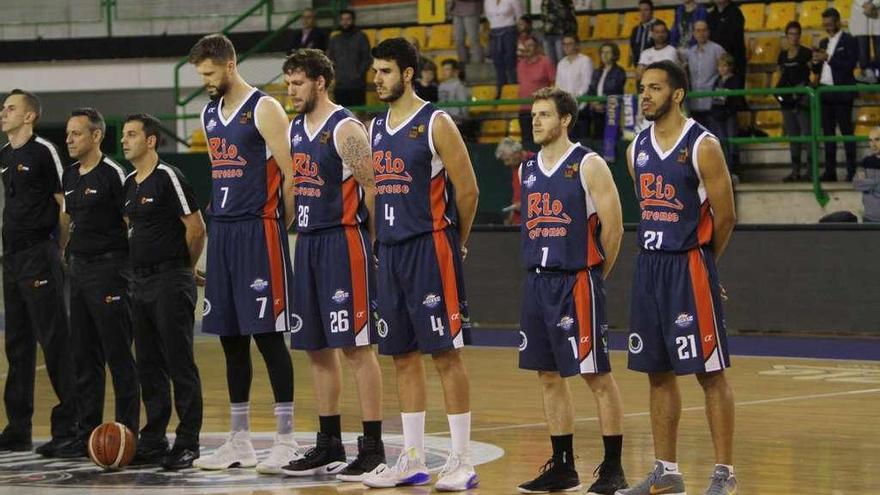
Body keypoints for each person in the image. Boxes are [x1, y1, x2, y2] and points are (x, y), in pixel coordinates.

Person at [361, 38, 480, 491]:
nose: (378, 78)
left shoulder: (436, 122)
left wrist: (455, 240)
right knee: (401, 356)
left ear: (408, 74)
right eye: (375, 71)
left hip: (430, 247)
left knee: (445, 354)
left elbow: (467, 190)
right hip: (390, 250)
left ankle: (462, 459)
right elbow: (374, 191)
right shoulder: (374, 127)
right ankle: (412, 458)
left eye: (386, 71)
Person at [617, 60, 737, 495]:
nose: (644, 96)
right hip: (649, 266)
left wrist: (706, 264)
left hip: (689, 264)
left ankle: (724, 473)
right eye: (641, 88)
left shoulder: (703, 145)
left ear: (678, 93)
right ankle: (666, 470)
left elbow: (725, 217)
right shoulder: (636, 150)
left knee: (710, 373)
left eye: (654, 88)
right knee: (657, 372)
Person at [187, 34, 301, 473]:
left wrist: (277, 223)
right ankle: (239, 441)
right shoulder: (209, 112)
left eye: (210, 73)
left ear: (230, 64)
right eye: (201, 75)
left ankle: (287, 438)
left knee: (269, 337)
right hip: (225, 234)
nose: (206, 82)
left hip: (259, 230)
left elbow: (293, 173)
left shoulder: (264, 107)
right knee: (231, 339)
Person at [278, 48, 387, 482]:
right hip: (307, 243)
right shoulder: (294, 130)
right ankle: (329, 442)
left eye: (298, 83)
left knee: (357, 348)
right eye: (288, 84)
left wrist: (376, 246)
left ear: (320, 82)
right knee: (317, 348)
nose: (291, 91)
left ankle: (373, 445)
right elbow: (292, 188)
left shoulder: (345, 130)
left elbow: (376, 189)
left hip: (344, 242)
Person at [515, 87, 628, 495]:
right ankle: (563, 466)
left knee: (595, 374)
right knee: (548, 375)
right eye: (533, 115)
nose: (536, 121)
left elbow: (613, 229)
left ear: (564, 120)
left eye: (544, 114)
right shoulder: (527, 170)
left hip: (577, 279)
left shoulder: (588, 164)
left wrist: (596, 275)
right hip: (537, 280)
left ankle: (613, 468)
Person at [122, 113, 205, 470]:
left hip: (170, 281)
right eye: (123, 134)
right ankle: (154, 439)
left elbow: (196, 228)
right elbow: (133, 230)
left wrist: (182, 269)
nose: (124, 140)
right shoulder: (129, 182)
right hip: (138, 283)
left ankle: (188, 442)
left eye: (131, 134)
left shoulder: (168, 176)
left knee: (178, 362)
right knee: (149, 364)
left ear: (151, 140)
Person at [0, 89, 79, 458]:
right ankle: (18, 428)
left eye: (11, 108)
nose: (4, 112)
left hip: (39, 255)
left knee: (55, 340)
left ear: (29, 116)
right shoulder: (4, 155)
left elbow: (65, 202)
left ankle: (70, 425)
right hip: (11, 260)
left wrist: (57, 248)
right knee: (17, 345)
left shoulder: (44, 151)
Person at [61, 108, 138, 455]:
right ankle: (85, 431)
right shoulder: (69, 175)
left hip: (110, 272)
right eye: (67, 134)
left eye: (76, 133)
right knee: (83, 355)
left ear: (96, 136)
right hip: (78, 273)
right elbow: (69, 222)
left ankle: (127, 433)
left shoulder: (114, 174)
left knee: (118, 354)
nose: (69, 140)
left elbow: (131, 224)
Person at [812, 8, 859, 181]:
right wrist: (815, 61)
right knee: (828, 135)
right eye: (825, 24)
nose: (828, 27)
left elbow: (850, 65)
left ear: (838, 22)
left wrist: (829, 58)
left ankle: (851, 171)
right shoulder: (823, 42)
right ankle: (830, 171)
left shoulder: (849, 40)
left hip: (842, 93)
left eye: (830, 23)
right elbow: (819, 69)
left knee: (847, 133)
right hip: (825, 93)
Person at [776, 21, 814, 182]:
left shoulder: (806, 53)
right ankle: (795, 170)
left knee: (807, 136)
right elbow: (780, 75)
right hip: (787, 101)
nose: (794, 37)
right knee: (793, 137)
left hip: (802, 99)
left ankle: (811, 171)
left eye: (797, 34)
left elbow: (814, 75)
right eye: (791, 34)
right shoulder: (782, 55)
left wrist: (803, 93)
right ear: (786, 36)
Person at [684, 21, 726, 128]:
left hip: (712, 104)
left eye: (704, 30)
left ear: (708, 32)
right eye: (698, 31)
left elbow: (725, 74)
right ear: (694, 33)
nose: (701, 33)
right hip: (694, 103)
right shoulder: (690, 52)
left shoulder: (718, 49)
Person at [710, 54, 746, 181]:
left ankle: (734, 171)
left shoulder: (735, 80)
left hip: (729, 113)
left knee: (732, 142)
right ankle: (723, 170)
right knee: (721, 142)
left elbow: (736, 98)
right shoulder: (717, 80)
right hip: (718, 114)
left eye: (724, 66)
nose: (722, 69)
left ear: (730, 67)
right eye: (720, 66)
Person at [327, 9, 372, 108]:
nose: (345, 22)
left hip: (357, 86)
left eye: (348, 19)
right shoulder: (334, 40)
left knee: (358, 117)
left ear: (353, 20)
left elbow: (367, 59)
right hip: (340, 85)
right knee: (341, 117)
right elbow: (330, 60)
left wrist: (357, 75)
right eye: (342, 19)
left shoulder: (361, 37)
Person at [518, 36, 556, 150]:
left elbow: (553, 84)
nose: (527, 48)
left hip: (541, 110)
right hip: (524, 110)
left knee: (542, 142)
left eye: (530, 45)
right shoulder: (520, 64)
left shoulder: (546, 62)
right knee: (527, 142)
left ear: (537, 47)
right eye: (525, 46)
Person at [555, 34, 593, 142]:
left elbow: (587, 84)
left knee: (582, 141)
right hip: (566, 109)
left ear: (576, 45)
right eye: (564, 44)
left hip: (581, 107)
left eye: (570, 44)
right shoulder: (561, 64)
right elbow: (558, 86)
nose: (567, 47)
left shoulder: (585, 60)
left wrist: (574, 99)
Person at [587, 43, 627, 140]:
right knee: (597, 138)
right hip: (596, 111)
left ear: (614, 55)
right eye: (602, 52)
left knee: (610, 139)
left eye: (608, 52)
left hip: (611, 110)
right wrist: (593, 103)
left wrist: (604, 105)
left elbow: (617, 91)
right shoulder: (597, 72)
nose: (604, 55)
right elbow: (591, 90)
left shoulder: (619, 72)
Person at [486, 0, 523, 98]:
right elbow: (488, 16)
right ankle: (500, 90)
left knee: (510, 61)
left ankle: (514, 89)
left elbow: (519, 15)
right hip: (494, 31)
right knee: (497, 62)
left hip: (509, 30)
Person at [495, 137, 534, 225]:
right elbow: (517, 199)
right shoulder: (515, 166)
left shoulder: (536, 162)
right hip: (518, 224)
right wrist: (510, 219)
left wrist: (525, 204)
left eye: (507, 160)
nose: (506, 164)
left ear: (517, 153)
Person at [707, 0, 746, 77]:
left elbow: (735, 39)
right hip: (715, 62)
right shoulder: (711, 15)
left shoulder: (735, 13)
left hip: (732, 62)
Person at [854, 126, 880, 222]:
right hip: (868, 219)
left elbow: (863, 183)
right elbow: (857, 184)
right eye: (870, 140)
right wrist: (876, 182)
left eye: (877, 140)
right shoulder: (865, 161)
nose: (873, 144)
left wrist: (867, 182)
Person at [541, 0, 578, 66]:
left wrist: (572, 34)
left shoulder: (566, 1)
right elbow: (544, 16)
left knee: (562, 61)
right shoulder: (545, 1)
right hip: (547, 34)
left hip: (561, 33)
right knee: (550, 64)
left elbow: (571, 16)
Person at [851, 0, 880, 83]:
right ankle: (868, 73)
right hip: (860, 11)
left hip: (877, 11)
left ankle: (877, 74)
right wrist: (864, 4)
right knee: (862, 47)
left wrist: (874, 4)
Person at [439, 59, 471, 125]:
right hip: (443, 121)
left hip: (456, 122)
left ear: (454, 71)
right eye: (443, 69)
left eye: (447, 69)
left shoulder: (459, 85)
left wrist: (462, 120)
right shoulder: (441, 85)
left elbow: (464, 106)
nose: (444, 72)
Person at [629, 0, 657, 68]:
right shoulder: (635, 30)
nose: (642, 13)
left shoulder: (659, 26)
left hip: (654, 67)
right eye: (640, 10)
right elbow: (633, 48)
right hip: (639, 67)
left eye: (646, 10)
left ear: (652, 11)